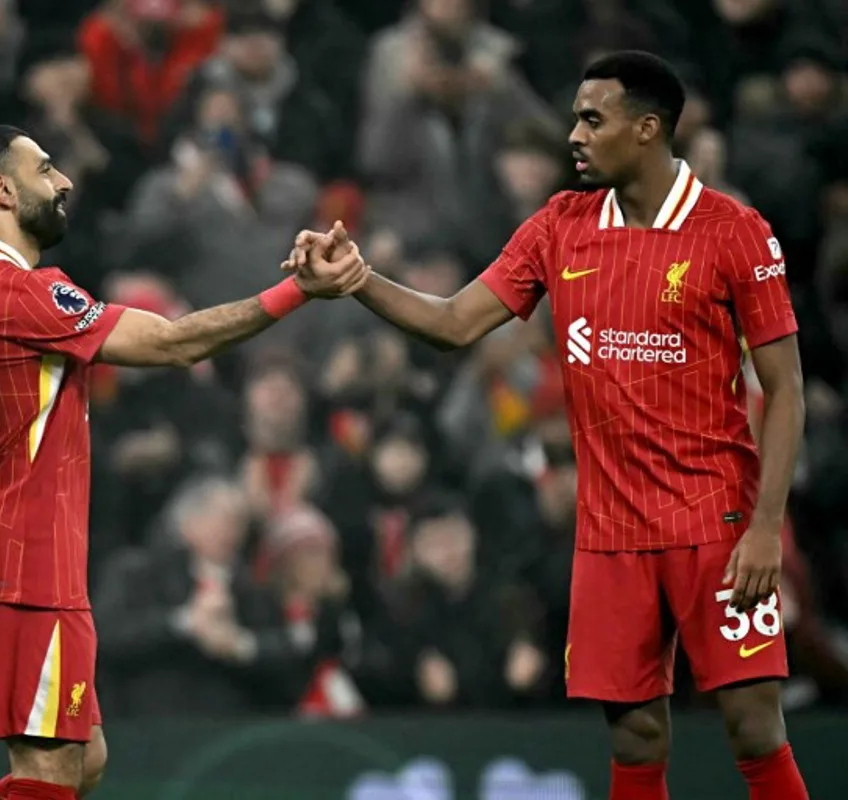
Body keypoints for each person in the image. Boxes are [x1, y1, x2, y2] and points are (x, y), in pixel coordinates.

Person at [286, 52, 810, 800]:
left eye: (593, 118)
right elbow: (456, 322)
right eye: (575, 117)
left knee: (754, 727)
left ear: (648, 128)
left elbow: (786, 388)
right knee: (634, 734)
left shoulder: (733, 231)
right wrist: (359, 281)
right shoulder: (561, 226)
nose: (575, 134)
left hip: (715, 522)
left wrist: (765, 529)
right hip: (609, 533)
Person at [0, 124, 367, 800]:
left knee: (82, 760)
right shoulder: (27, 293)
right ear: (0, 189)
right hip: (27, 570)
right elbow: (173, 344)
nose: (64, 183)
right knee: (50, 774)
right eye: (45, 169)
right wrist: (296, 293)